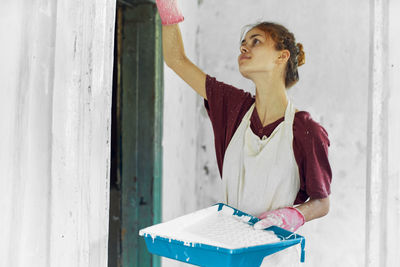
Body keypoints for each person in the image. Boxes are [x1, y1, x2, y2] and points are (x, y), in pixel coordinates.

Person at [156, 0, 332, 265]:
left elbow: (322, 202)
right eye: (243, 42)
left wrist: (293, 216)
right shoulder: (233, 108)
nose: (243, 47)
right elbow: (176, 60)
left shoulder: (306, 130)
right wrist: (166, 3)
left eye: (256, 41)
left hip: (274, 257)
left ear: (281, 56)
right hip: (228, 252)